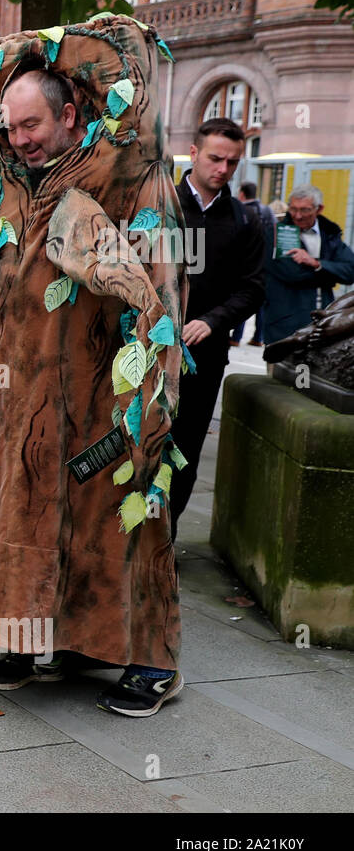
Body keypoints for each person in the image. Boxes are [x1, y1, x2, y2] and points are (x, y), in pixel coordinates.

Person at [0, 17, 187, 717]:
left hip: (102, 396)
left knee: (120, 520)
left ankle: (151, 661)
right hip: (19, 399)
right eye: (9, 129)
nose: (19, 139)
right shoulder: (11, 188)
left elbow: (160, 294)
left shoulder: (138, 184)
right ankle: (25, 636)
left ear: (71, 115)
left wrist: (154, 400)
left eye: (32, 124)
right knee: (21, 513)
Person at [170, 119, 265, 540]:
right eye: (215, 158)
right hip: (145, 350)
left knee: (186, 447)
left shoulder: (245, 221)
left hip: (205, 357)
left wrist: (212, 321)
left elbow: (253, 289)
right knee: (135, 443)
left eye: (232, 162)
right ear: (193, 153)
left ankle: (163, 538)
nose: (223, 169)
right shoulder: (160, 205)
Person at [259, 184, 354, 345]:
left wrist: (315, 263)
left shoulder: (329, 234)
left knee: (315, 371)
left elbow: (350, 271)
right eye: (293, 209)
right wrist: (330, 275)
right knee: (285, 371)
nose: (297, 215)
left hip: (322, 326)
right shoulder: (277, 234)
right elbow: (292, 274)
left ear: (319, 209)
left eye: (304, 210)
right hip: (285, 327)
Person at [229, 181, 274, 347]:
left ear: (241, 194)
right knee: (260, 302)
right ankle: (258, 338)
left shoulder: (240, 212)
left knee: (242, 298)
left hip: (244, 264)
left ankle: (236, 337)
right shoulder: (267, 210)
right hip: (265, 263)